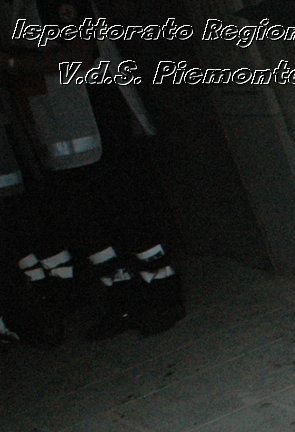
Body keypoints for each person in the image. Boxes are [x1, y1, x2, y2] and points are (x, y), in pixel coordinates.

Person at [1, 0, 184, 340]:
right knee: (89, 224)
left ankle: (163, 296)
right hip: (62, 135)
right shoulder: (18, 7)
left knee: (126, 211)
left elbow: (77, 54)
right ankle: (123, 300)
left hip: (98, 121)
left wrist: (13, 62)